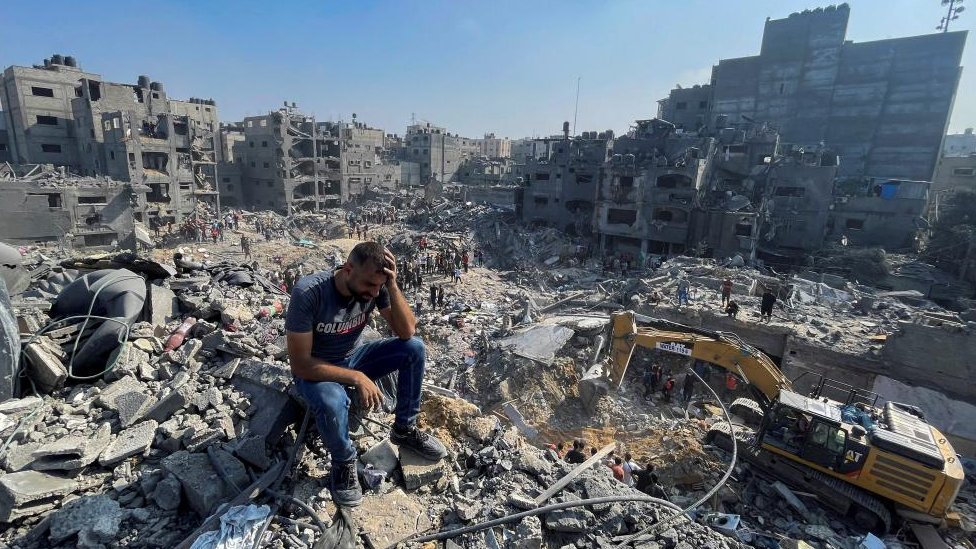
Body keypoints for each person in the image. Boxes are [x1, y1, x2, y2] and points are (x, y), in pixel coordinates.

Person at [285, 242, 447, 507]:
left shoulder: (376, 286)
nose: (374, 292)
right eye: (370, 285)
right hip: (317, 368)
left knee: (414, 349)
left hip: (354, 357)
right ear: (348, 269)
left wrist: (392, 285)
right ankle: (343, 462)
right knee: (332, 401)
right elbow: (300, 365)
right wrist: (357, 378)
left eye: (378, 286)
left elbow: (406, 331)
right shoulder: (310, 293)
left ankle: (404, 430)